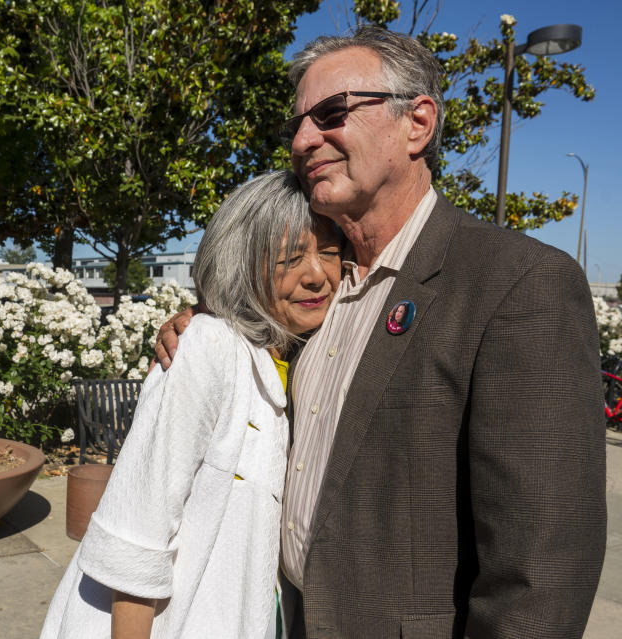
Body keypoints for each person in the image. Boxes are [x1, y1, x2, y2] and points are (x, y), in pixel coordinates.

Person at [155, 26, 605, 638]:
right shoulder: (318, 290)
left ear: (417, 123)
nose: (304, 139)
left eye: (332, 113)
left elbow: (541, 575)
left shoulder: (521, 283)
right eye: (297, 125)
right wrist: (202, 326)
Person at [40, 170, 343, 639]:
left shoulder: (297, 357)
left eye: (329, 251)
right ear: (241, 265)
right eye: (290, 257)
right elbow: (137, 531)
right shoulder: (208, 346)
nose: (317, 274)